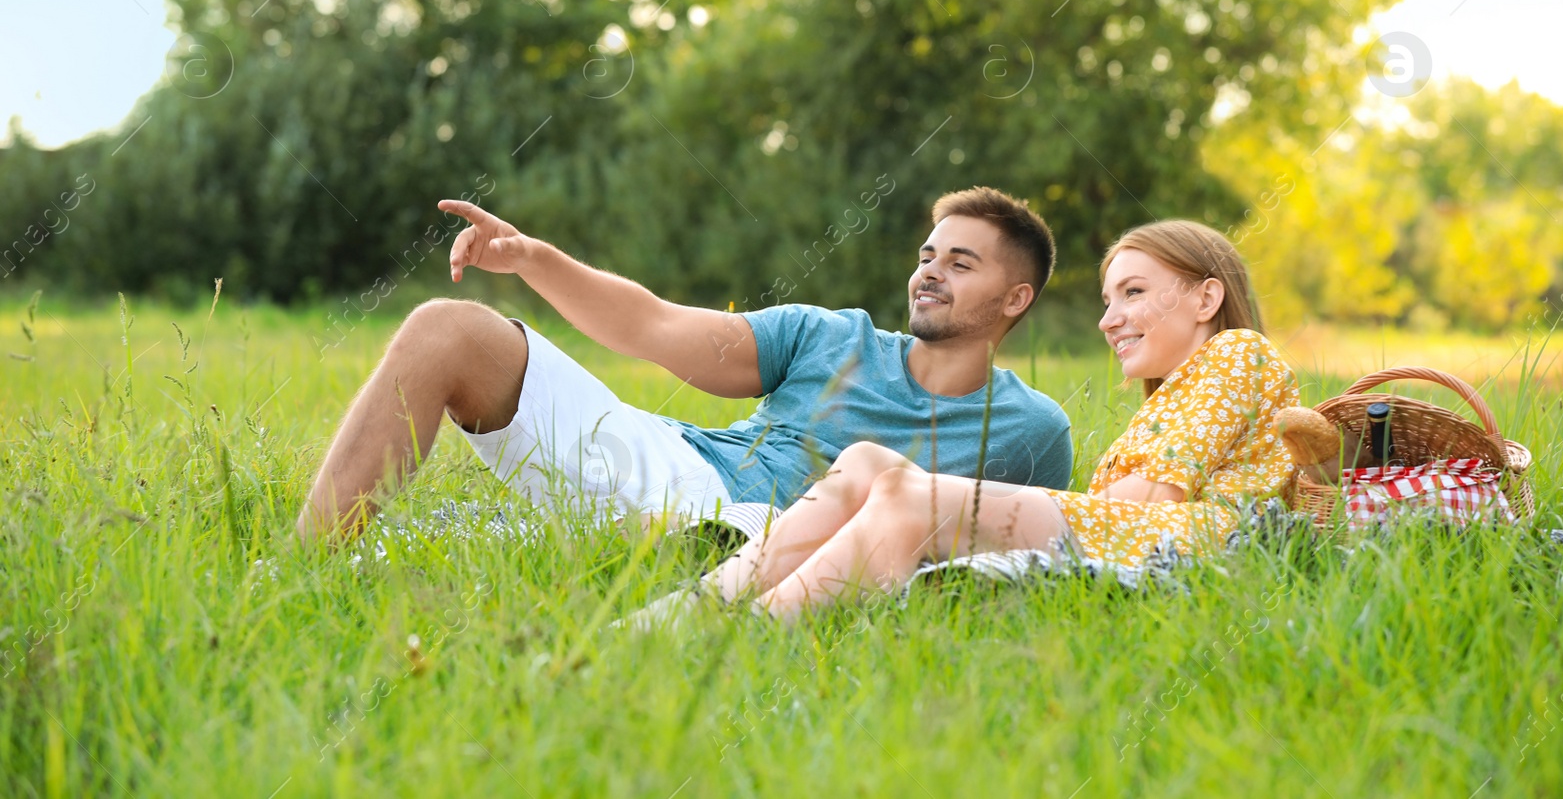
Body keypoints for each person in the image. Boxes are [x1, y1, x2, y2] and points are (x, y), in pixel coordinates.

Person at [295, 186, 1073, 545]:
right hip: (676, 466)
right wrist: (530, 257)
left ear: (1015, 297)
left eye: (960, 263)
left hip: (761, 541)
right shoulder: (831, 336)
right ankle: (303, 567)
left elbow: (1016, 554)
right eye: (926, 254)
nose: (929, 271)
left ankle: (524, 537)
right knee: (446, 330)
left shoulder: (1033, 430)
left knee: (438, 551)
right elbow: (652, 324)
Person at [632, 219, 1298, 625]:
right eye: (1107, 298)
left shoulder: (1238, 351)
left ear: (1207, 295)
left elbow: (1152, 502)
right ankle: (703, 603)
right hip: (1138, 531)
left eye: (1133, 292)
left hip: (1185, 541)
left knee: (905, 494)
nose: (1108, 318)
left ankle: (750, 630)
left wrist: (1003, 517)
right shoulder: (1178, 395)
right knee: (866, 460)